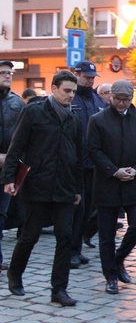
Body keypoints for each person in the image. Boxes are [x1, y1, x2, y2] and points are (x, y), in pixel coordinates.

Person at [3, 70, 83, 307]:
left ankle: (59, 289)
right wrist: (9, 178)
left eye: (73, 92)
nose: (71, 96)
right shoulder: (34, 112)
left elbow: (78, 156)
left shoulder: (74, 119)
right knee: (30, 235)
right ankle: (15, 274)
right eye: (67, 91)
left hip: (65, 187)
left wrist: (78, 188)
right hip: (38, 184)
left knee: (65, 237)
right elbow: (16, 147)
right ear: (54, 88)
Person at [87, 80, 136, 295]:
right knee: (106, 234)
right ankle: (111, 276)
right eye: (118, 99)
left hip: (133, 182)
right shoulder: (97, 120)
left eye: (126, 99)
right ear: (111, 97)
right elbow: (94, 150)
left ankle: (119, 259)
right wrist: (113, 170)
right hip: (107, 183)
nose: (122, 103)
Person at [70, 60, 106, 267]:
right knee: (76, 210)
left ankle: (77, 247)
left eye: (92, 77)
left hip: (94, 164)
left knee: (87, 210)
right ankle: (70, 250)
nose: (90, 80)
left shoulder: (96, 100)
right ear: (77, 75)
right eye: (86, 77)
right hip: (75, 164)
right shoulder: (70, 97)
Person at [0, 61, 24, 271]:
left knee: (2, 213)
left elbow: (23, 136)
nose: (7, 76)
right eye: (3, 73)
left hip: (7, 170)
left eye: (10, 73)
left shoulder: (17, 103)